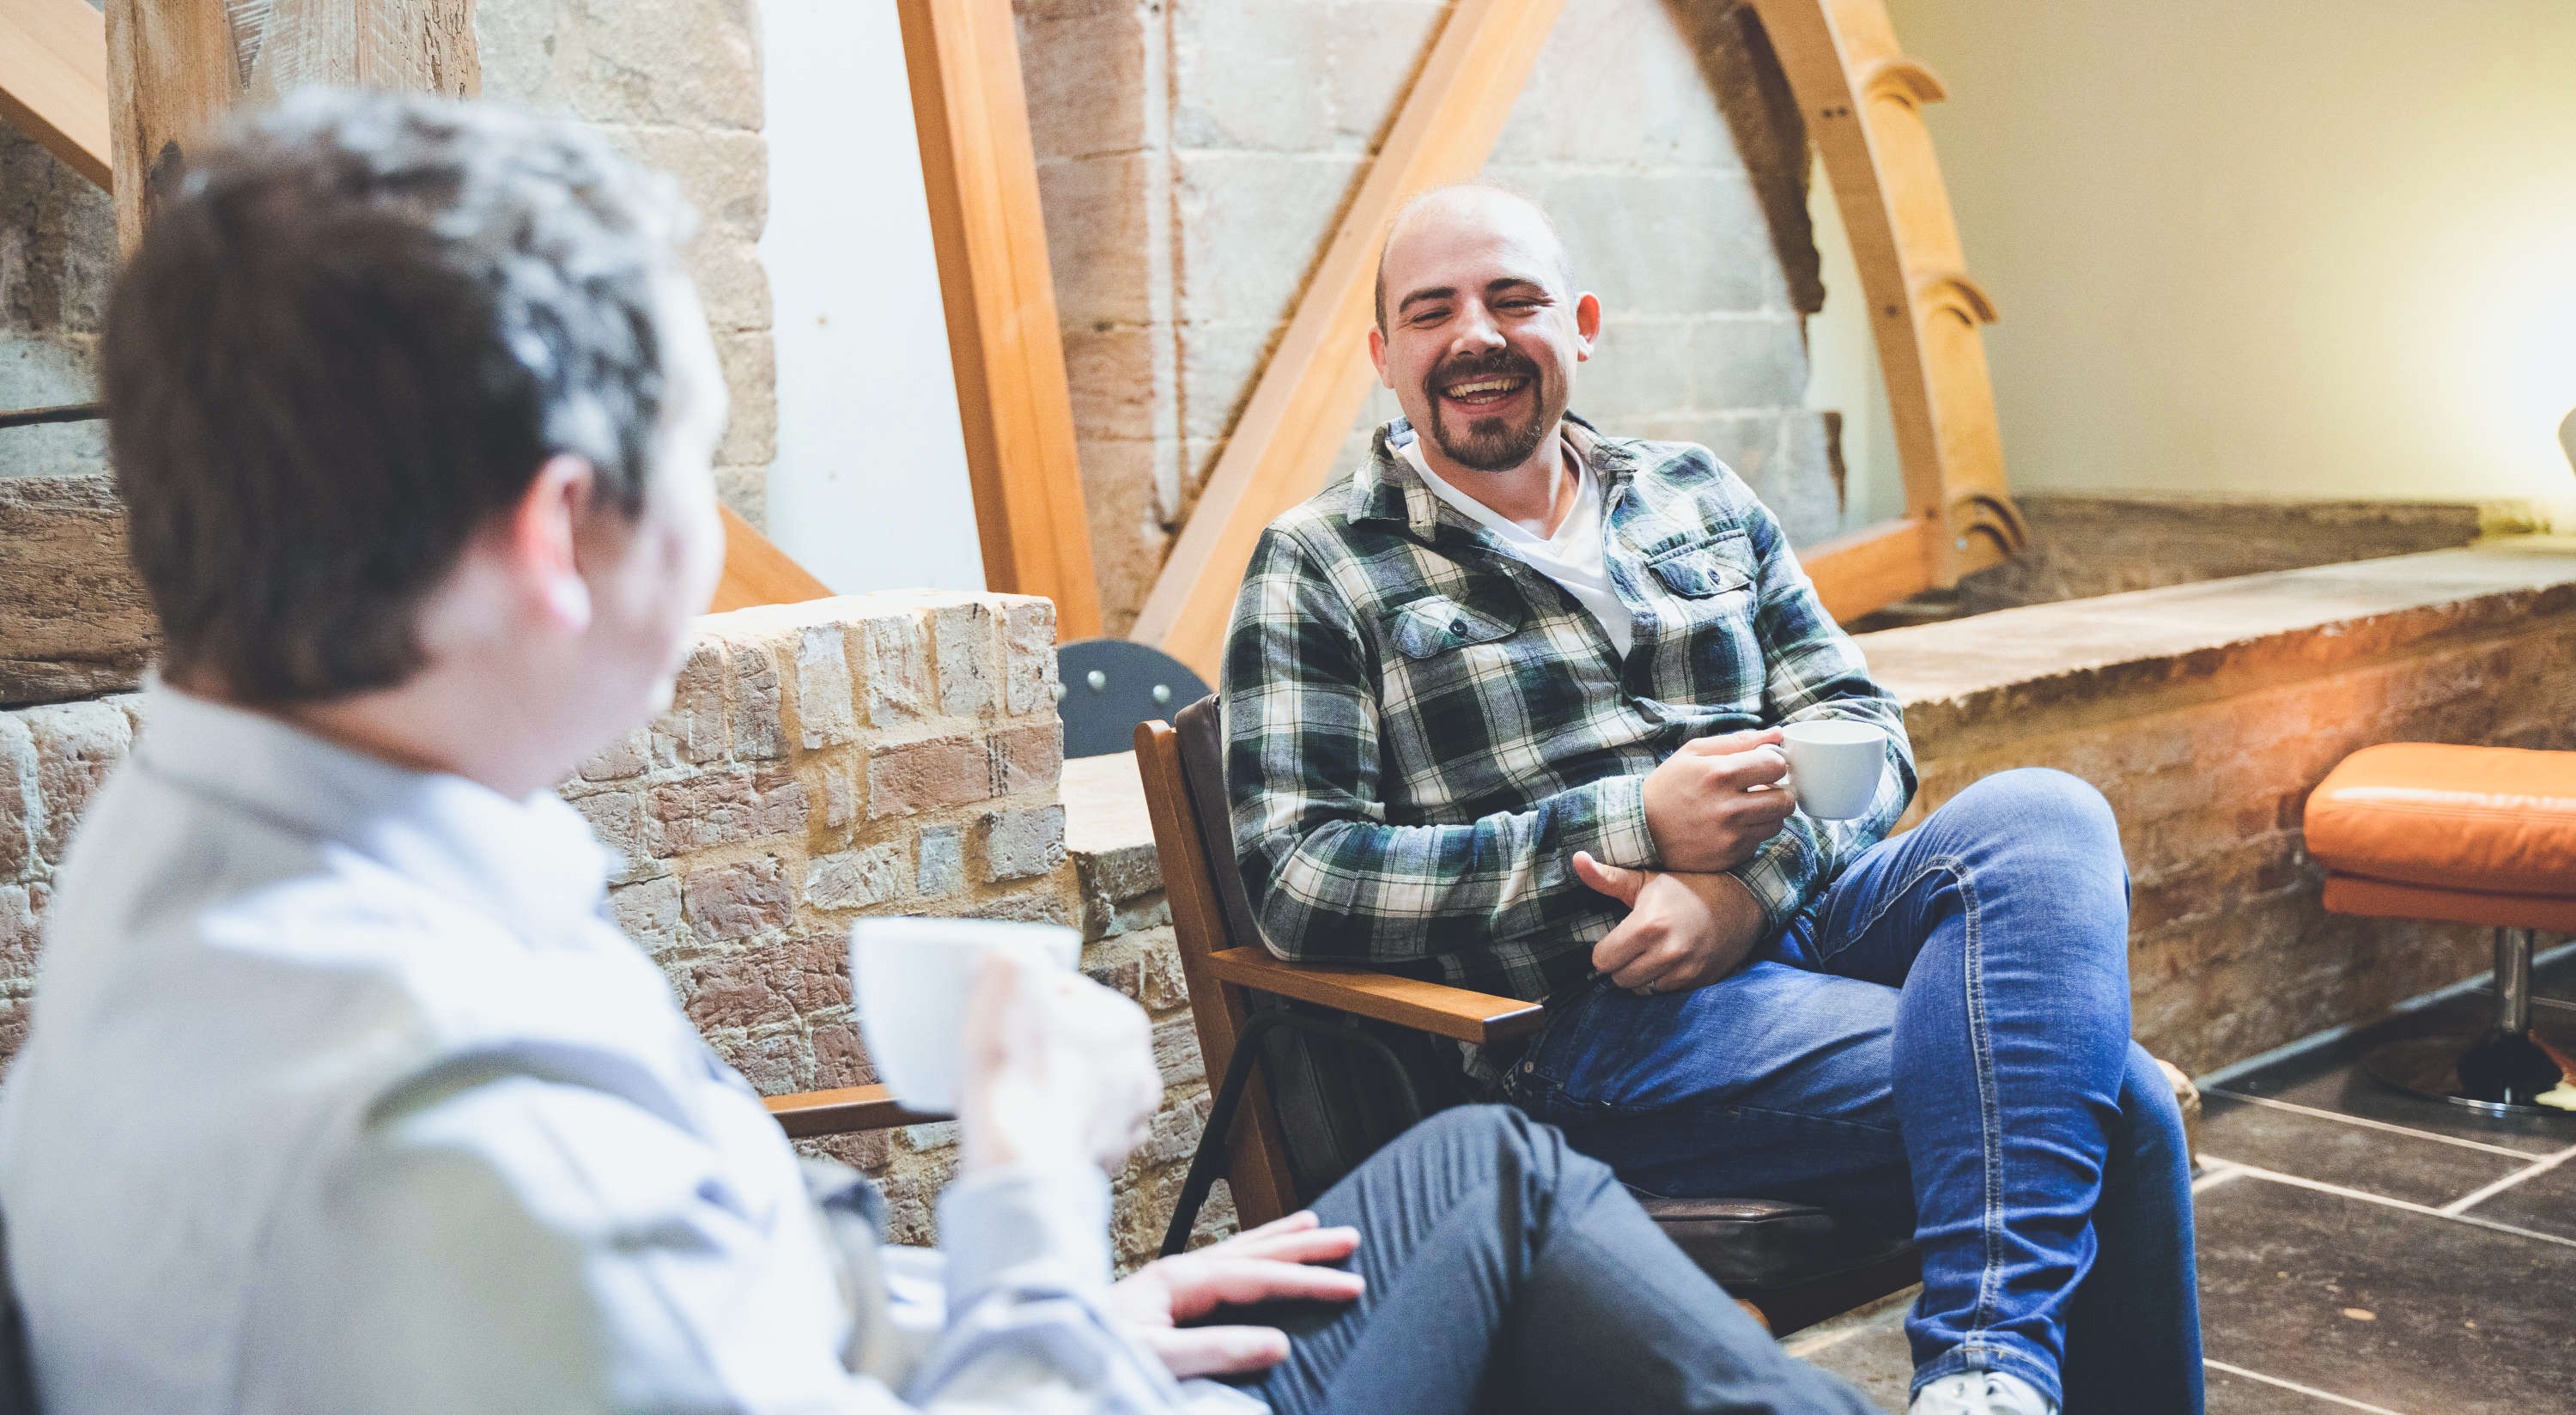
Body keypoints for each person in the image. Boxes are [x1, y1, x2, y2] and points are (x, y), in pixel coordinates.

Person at [0, 93, 1880, 1415]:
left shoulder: (195, 860)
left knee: (1476, 1174)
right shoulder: (461, 1137)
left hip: (1009, 1333)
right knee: (1518, 1192)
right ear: (550, 542)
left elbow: (717, 1301)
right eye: (700, 468)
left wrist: (1038, 1287)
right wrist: (1029, 1182)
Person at [1222, 185, 2204, 1415]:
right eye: (1432, 313)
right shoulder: (1324, 563)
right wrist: (1634, 825)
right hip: (1595, 1018)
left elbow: (1862, 732)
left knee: (2047, 812)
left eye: (1512, 299)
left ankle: (1986, 1376)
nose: (1475, 334)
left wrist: (1741, 892)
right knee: (2110, 1099)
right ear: (1386, 358)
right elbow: (1299, 882)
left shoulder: (1694, 493)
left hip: (1811, 920)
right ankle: (1993, 1374)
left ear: (1579, 326)